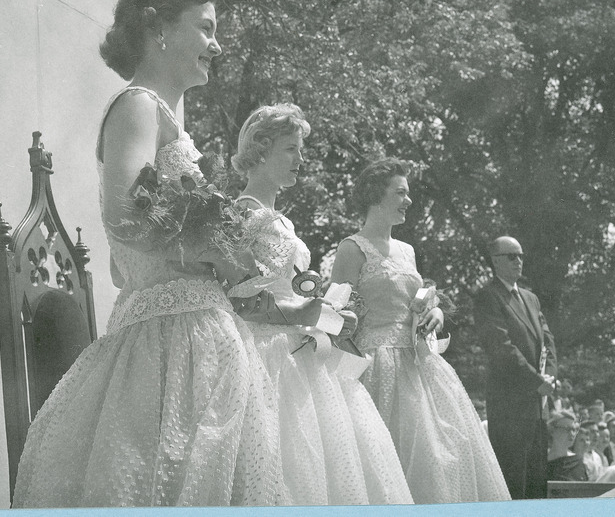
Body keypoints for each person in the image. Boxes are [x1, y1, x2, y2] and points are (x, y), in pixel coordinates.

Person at [12, 0, 286, 507]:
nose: (217, 43)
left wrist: (233, 256)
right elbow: (122, 216)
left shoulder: (166, 121)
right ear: (159, 28)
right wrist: (213, 249)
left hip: (193, 330)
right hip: (172, 339)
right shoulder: (137, 104)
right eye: (205, 28)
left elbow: (122, 265)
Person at [229, 105, 413, 505]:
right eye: (291, 149)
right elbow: (237, 299)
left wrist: (331, 315)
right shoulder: (242, 213)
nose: (301, 159)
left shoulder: (281, 220)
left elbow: (295, 290)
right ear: (260, 150)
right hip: (265, 353)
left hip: (298, 347)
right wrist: (306, 313)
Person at [330, 157, 510, 503]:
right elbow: (338, 316)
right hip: (375, 365)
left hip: (419, 362)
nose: (409, 201)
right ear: (374, 194)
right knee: (388, 457)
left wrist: (436, 312)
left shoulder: (407, 251)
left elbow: (418, 301)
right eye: (401, 192)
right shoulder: (352, 248)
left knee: (443, 451)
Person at [474, 235, 558, 500]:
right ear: (495, 261)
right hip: (509, 408)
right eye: (511, 256)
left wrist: (550, 377)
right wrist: (537, 381)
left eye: (520, 255)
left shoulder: (531, 299)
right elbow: (502, 348)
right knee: (513, 486)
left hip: (537, 408)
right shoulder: (488, 297)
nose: (518, 261)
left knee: (536, 485)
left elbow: (548, 342)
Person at [546, 411, 588, 481]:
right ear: (552, 431)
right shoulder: (543, 463)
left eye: (574, 430)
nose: (572, 434)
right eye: (567, 429)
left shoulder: (577, 462)